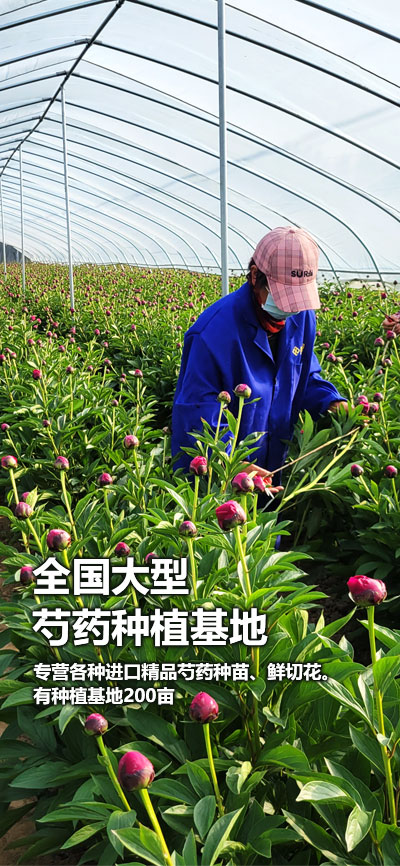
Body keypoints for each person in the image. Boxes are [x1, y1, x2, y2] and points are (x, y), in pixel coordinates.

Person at [171, 226, 348, 480]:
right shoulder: (211, 334)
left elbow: (304, 376)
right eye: (285, 296)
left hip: (272, 467)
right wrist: (232, 466)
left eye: (299, 298)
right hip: (218, 481)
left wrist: (331, 402)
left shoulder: (302, 316)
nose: (292, 308)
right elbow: (198, 417)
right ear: (255, 276)